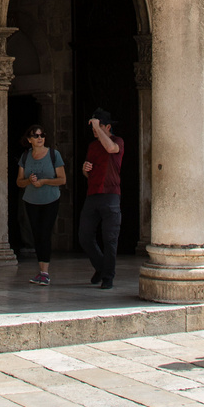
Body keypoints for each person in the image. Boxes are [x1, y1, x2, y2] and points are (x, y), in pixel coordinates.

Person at [77, 108, 124, 289]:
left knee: (110, 238)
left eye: (98, 126)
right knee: (85, 236)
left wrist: (99, 128)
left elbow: (111, 148)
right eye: (93, 127)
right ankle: (101, 267)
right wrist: (85, 169)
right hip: (93, 195)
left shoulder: (117, 141)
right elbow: (89, 173)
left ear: (108, 127)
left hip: (111, 196)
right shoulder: (92, 146)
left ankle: (108, 277)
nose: (94, 130)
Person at [15, 124, 66, 286]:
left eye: (42, 135)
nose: (39, 138)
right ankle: (41, 270)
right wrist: (29, 181)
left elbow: (62, 179)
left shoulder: (53, 154)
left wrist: (44, 181)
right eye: (36, 136)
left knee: (45, 233)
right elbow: (19, 182)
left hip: (50, 199)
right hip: (31, 200)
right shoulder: (25, 157)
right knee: (37, 234)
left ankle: (45, 272)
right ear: (29, 140)